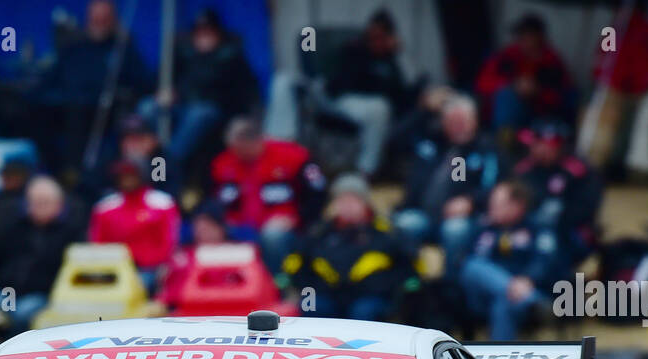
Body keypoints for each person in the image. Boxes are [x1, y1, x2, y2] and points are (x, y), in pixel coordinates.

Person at [38, 0, 154, 177]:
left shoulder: (121, 47)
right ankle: (60, 173)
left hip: (108, 109)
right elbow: (50, 80)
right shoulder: (74, 47)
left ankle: (90, 175)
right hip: (70, 108)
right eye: (95, 19)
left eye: (104, 19)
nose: (99, 24)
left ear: (112, 20)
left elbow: (143, 82)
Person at [283, 173, 412, 321]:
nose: (347, 206)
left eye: (353, 200)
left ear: (365, 202)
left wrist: (385, 286)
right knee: (311, 305)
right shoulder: (319, 233)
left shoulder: (385, 232)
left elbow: (407, 265)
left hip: (369, 296)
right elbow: (296, 265)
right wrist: (309, 288)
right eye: (342, 200)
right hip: (328, 294)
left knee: (363, 311)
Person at [158, 8, 259, 190]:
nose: (203, 37)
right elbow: (160, 80)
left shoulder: (230, 56)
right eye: (199, 32)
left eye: (208, 32)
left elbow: (246, 91)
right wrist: (167, 92)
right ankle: (154, 155)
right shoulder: (183, 53)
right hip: (182, 106)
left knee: (199, 114)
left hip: (216, 110)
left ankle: (169, 159)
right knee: (148, 107)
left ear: (218, 34)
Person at [209, 116, 327, 271]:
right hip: (237, 227)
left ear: (256, 141)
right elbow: (210, 200)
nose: (236, 154)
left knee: (272, 237)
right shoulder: (223, 163)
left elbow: (318, 192)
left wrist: (297, 219)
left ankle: (276, 283)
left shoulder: (293, 157)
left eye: (241, 149)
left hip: (282, 229)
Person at [397, 94, 503, 265]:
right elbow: (395, 141)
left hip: (461, 219)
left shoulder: (484, 149)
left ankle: (451, 284)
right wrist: (422, 111)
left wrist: (471, 201)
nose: (459, 127)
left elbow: (496, 187)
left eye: (463, 121)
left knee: (455, 230)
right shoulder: (430, 143)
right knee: (404, 223)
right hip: (422, 213)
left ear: (474, 121)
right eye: (454, 122)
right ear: (443, 122)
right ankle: (410, 281)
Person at [0, 176, 80, 333]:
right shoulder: (14, 228)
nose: (39, 207)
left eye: (45, 202)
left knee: (20, 315)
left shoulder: (70, 234)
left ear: (59, 205)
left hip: (43, 295)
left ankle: (14, 354)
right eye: (34, 202)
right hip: (8, 293)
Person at [458, 180, 558, 339]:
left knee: (505, 303)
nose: (491, 208)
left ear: (518, 205)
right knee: (473, 266)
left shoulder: (537, 228)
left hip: (515, 296)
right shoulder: (483, 226)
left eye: (498, 204)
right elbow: (466, 262)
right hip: (478, 296)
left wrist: (528, 279)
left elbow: (544, 261)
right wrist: (513, 286)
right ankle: (531, 300)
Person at [326, 9, 412, 179]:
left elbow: (403, 93)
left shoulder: (390, 59)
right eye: (372, 36)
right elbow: (345, 83)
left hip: (377, 108)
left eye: (381, 37)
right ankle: (366, 172)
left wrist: (399, 55)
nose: (375, 41)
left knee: (384, 109)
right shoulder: (354, 49)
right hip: (342, 99)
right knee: (379, 108)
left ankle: (387, 169)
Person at [511, 119, 601, 277]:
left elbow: (585, 210)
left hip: (569, 232)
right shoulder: (523, 169)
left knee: (549, 243)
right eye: (536, 143)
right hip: (528, 228)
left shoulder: (579, 170)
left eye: (547, 144)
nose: (541, 149)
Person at [475, 14, 576, 142]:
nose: (526, 40)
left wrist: (537, 92)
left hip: (539, 115)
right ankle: (505, 139)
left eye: (530, 36)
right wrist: (513, 86)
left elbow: (563, 95)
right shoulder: (508, 55)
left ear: (540, 37)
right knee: (506, 96)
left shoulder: (552, 61)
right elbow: (482, 83)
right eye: (522, 36)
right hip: (506, 115)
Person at [88, 158, 180, 291]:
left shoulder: (163, 204)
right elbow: (97, 245)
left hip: (151, 271)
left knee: (141, 283)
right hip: (113, 271)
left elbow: (169, 244)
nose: (127, 179)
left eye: (131, 174)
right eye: (123, 175)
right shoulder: (104, 208)